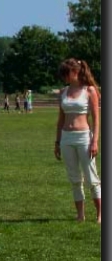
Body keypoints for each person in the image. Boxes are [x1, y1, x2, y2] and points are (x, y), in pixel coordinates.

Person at [54, 58, 101, 224]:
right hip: (67, 138)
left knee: (91, 178)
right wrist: (57, 142)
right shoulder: (63, 92)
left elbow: (96, 119)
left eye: (66, 74)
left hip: (84, 137)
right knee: (74, 178)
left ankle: (100, 214)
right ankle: (80, 215)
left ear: (75, 72)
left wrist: (94, 141)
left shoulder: (89, 91)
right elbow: (61, 119)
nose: (64, 77)